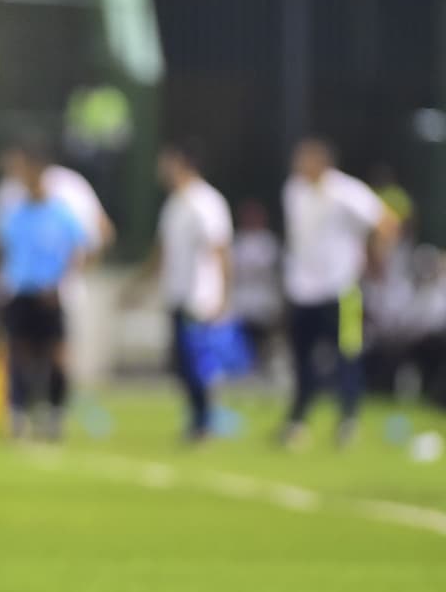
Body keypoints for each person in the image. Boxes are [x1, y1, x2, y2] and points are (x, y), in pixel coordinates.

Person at [280, 138, 399, 447]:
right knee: (302, 359)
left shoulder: (347, 191)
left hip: (342, 289)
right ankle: (298, 421)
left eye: (305, 158)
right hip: (303, 291)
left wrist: (375, 260)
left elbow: (387, 222)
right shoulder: (293, 191)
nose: (299, 164)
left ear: (322, 161)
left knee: (347, 354)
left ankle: (348, 420)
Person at [126, 141, 233, 441]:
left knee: (198, 361)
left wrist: (223, 294)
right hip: (176, 293)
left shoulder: (206, 203)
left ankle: (206, 422)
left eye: (167, 163)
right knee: (183, 365)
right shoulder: (174, 204)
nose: (161, 170)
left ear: (184, 165)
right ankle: (198, 421)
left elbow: (221, 250)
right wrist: (137, 287)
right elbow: (161, 253)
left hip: (200, 298)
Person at [0, 142, 88, 439]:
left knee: (56, 355)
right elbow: (3, 249)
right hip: (21, 291)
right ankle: (18, 413)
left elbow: (79, 248)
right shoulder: (15, 213)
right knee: (18, 354)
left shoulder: (61, 212)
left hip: (51, 294)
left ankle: (54, 414)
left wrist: (62, 281)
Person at [229, 199, 283, 372]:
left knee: (264, 336)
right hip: (243, 296)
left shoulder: (268, 242)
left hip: (263, 296)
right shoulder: (238, 242)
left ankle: (263, 363)